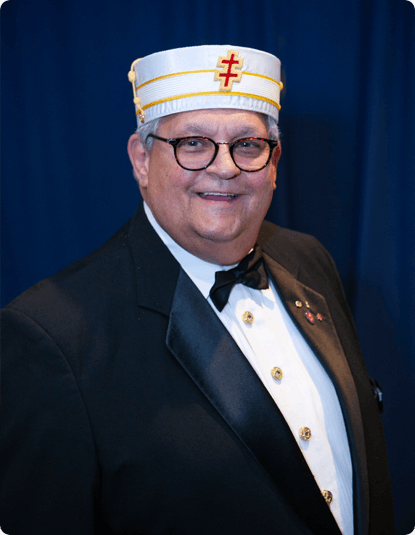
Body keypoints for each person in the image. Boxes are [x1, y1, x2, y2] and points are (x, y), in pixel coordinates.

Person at [0, 45, 393, 535]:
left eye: (247, 144)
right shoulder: (51, 337)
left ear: (274, 164)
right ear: (142, 160)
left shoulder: (309, 260)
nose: (225, 167)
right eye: (193, 143)